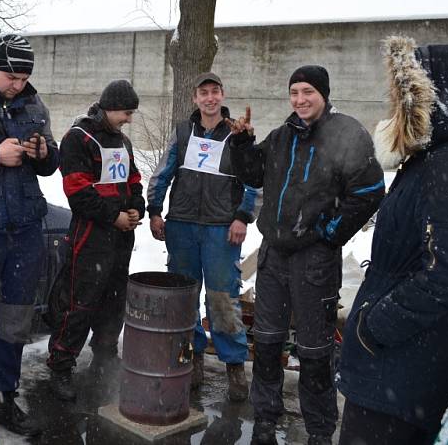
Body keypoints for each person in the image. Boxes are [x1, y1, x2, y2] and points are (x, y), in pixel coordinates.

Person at [337, 37, 448, 445]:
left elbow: (444, 277)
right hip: (405, 372)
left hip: (399, 375)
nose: (395, 106)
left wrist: (373, 328)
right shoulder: (442, 156)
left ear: (434, 96)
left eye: (402, 96)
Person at [227, 65, 384, 445]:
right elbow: (253, 174)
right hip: (273, 257)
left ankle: (319, 430)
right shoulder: (282, 136)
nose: (300, 100)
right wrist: (244, 143)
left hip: (314, 261)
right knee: (266, 343)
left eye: (307, 92)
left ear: (324, 94)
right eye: (294, 92)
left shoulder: (346, 134)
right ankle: (265, 418)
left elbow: (370, 191)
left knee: (314, 352)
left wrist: (329, 235)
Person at [0, 33, 59, 436]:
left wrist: (43, 155)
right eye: (11, 76)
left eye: (24, 78)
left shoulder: (33, 104)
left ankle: (4, 394)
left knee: (16, 318)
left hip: (25, 228)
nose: (17, 85)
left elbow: (52, 161)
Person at [146, 72, 258, 402]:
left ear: (222, 95)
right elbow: (164, 171)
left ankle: (234, 366)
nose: (209, 98)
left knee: (222, 298)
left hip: (222, 229)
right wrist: (154, 209)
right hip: (181, 226)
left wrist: (242, 216)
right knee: (183, 297)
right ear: (195, 98)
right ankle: (191, 358)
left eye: (215, 92)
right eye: (203, 93)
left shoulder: (238, 133)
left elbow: (254, 181)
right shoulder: (183, 132)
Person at [46, 80, 145, 401]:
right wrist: (112, 216)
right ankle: (61, 364)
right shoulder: (78, 138)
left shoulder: (123, 142)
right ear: (110, 106)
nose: (129, 119)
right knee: (79, 301)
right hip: (90, 238)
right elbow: (77, 191)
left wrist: (134, 208)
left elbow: (134, 181)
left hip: (120, 239)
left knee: (114, 299)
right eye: (126, 112)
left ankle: (104, 353)